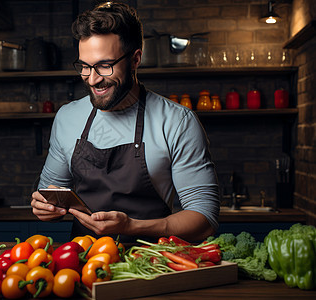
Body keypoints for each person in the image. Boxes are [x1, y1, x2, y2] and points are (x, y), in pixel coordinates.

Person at [31, 1, 220, 243]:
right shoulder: (67, 118)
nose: (92, 79)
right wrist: (44, 207)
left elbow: (204, 218)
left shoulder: (177, 122)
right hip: (83, 265)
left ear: (135, 59)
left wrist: (131, 226)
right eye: (84, 67)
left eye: (104, 66)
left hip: (151, 265)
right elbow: (50, 194)